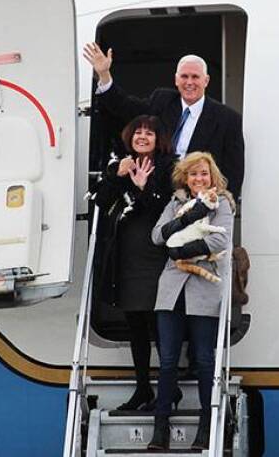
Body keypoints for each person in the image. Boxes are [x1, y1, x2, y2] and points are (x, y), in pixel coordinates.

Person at [147, 152, 235, 450]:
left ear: (213, 177)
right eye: (194, 174)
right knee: (168, 360)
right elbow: (157, 236)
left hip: (203, 288)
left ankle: (206, 428)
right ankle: (161, 429)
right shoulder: (175, 203)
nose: (199, 179)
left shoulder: (221, 203)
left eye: (204, 174)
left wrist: (181, 251)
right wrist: (184, 220)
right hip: (172, 290)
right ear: (185, 178)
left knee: (204, 360)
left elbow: (220, 240)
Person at [90, 115, 177, 411]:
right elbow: (100, 202)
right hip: (126, 256)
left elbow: (167, 213)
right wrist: (118, 176)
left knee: (161, 323)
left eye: (149, 133)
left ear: (158, 139)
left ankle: (170, 388)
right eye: (137, 132)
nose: (142, 137)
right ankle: (143, 389)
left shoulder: (169, 167)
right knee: (135, 325)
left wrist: (143, 187)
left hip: (156, 254)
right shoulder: (121, 165)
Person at [82, 42, 245, 199]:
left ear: (206, 81)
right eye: (184, 76)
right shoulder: (162, 100)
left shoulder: (228, 119)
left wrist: (221, 208)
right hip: (155, 196)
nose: (189, 82)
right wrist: (104, 74)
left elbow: (234, 173)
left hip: (198, 203)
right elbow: (124, 106)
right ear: (176, 80)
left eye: (195, 77)